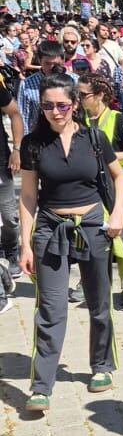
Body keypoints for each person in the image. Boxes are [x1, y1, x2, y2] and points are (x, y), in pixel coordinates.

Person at [18, 74, 123, 410]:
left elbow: (118, 177)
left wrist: (117, 215)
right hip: (51, 229)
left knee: (98, 303)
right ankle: (41, 387)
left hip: (94, 226)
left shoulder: (94, 137)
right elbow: (27, 196)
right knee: (50, 309)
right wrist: (25, 244)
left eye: (62, 104)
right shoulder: (33, 144)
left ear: (74, 104)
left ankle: (102, 366)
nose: (54, 111)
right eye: (47, 105)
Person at [77, 72, 123, 308]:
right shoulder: (78, 118)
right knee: (94, 234)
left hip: (119, 187)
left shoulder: (117, 118)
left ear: (100, 95)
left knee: (119, 234)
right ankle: (94, 284)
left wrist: (105, 157)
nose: (79, 99)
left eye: (83, 95)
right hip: (90, 187)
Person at [0, 69, 23, 308]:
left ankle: (10, 249)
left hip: (0, 164)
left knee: (9, 218)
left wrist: (16, 149)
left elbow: (15, 114)